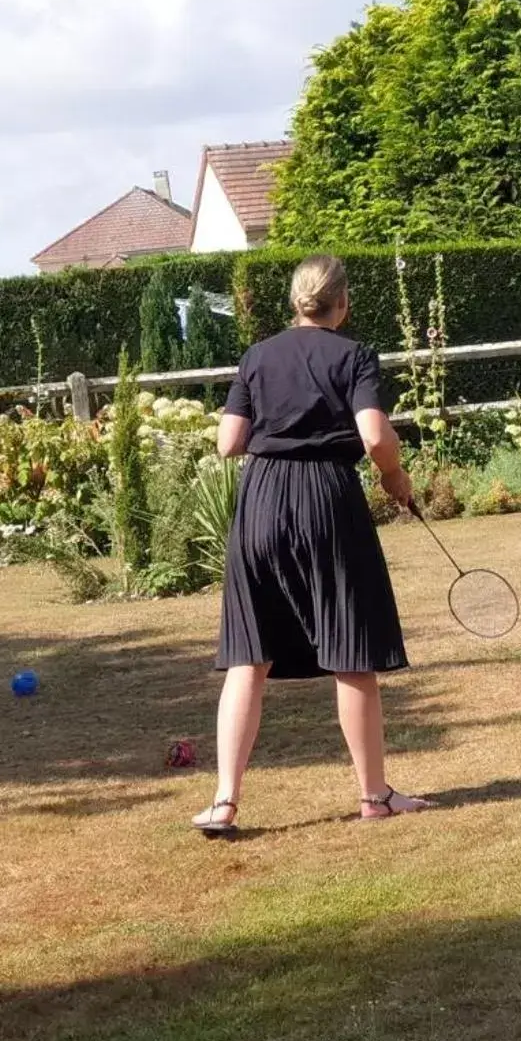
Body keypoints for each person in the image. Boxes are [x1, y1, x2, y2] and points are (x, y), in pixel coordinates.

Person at [191, 254, 428, 838]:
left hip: (262, 499)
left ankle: (224, 802)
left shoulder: (256, 356)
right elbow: (374, 434)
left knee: (249, 654)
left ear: (296, 302)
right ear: (341, 304)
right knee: (351, 649)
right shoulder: (354, 356)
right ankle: (374, 796)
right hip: (327, 495)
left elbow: (228, 443)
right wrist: (396, 480)